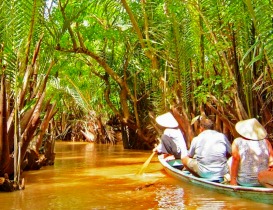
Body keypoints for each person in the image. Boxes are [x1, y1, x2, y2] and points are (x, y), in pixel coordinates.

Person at [182, 116, 231, 181]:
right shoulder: (222, 136)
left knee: (184, 159)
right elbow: (231, 152)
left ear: (201, 128)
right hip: (222, 172)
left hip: (204, 173)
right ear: (213, 128)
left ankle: (197, 177)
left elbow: (190, 155)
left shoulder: (196, 139)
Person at [230, 118, 273, 187]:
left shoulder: (237, 141)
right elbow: (271, 161)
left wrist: (233, 180)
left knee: (230, 161)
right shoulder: (266, 142)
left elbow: (235, 159)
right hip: (263, 181)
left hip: (245, 181)